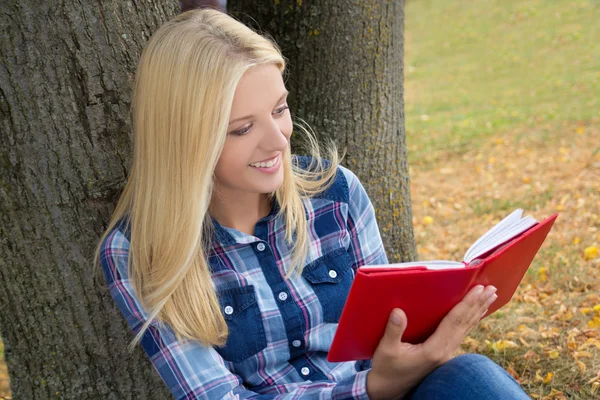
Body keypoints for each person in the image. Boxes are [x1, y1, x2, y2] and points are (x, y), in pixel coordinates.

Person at [94, 8, 531, 400]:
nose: (277, 139)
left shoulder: (336, 195)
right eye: (242, 129)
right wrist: (373, 387)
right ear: (185, 140)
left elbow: (385, 340)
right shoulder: (141, 251)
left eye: (279, 109)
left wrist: (424, 346)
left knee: (470, 375)